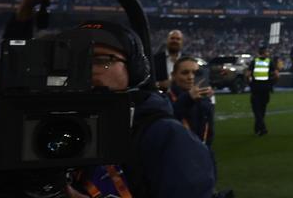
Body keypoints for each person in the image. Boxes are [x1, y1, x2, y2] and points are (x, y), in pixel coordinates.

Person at [61, 22, 216, 197]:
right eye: (76, 61)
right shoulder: (53, 126)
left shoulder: (165, 135)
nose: (85, 69)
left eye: (100, 60)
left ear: (133, 69)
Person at [169, 55, 215, 145]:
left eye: (195, 73)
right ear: (173, 75)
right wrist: (188, 98)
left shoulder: (204, 100)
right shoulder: (165, 100)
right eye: (185, 73)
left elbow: (208, 135)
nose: (191, 77)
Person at [246, 45, 275, 136]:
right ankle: (260, 129)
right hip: (265, 88)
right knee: (262, 109)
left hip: (256, 88)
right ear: (265, 53)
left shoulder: (254, 62)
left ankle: (261, 128)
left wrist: (249, 83)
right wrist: (271, 83)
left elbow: (247, 75)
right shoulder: (269, 62)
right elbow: (276, 75)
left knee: (256, 109)